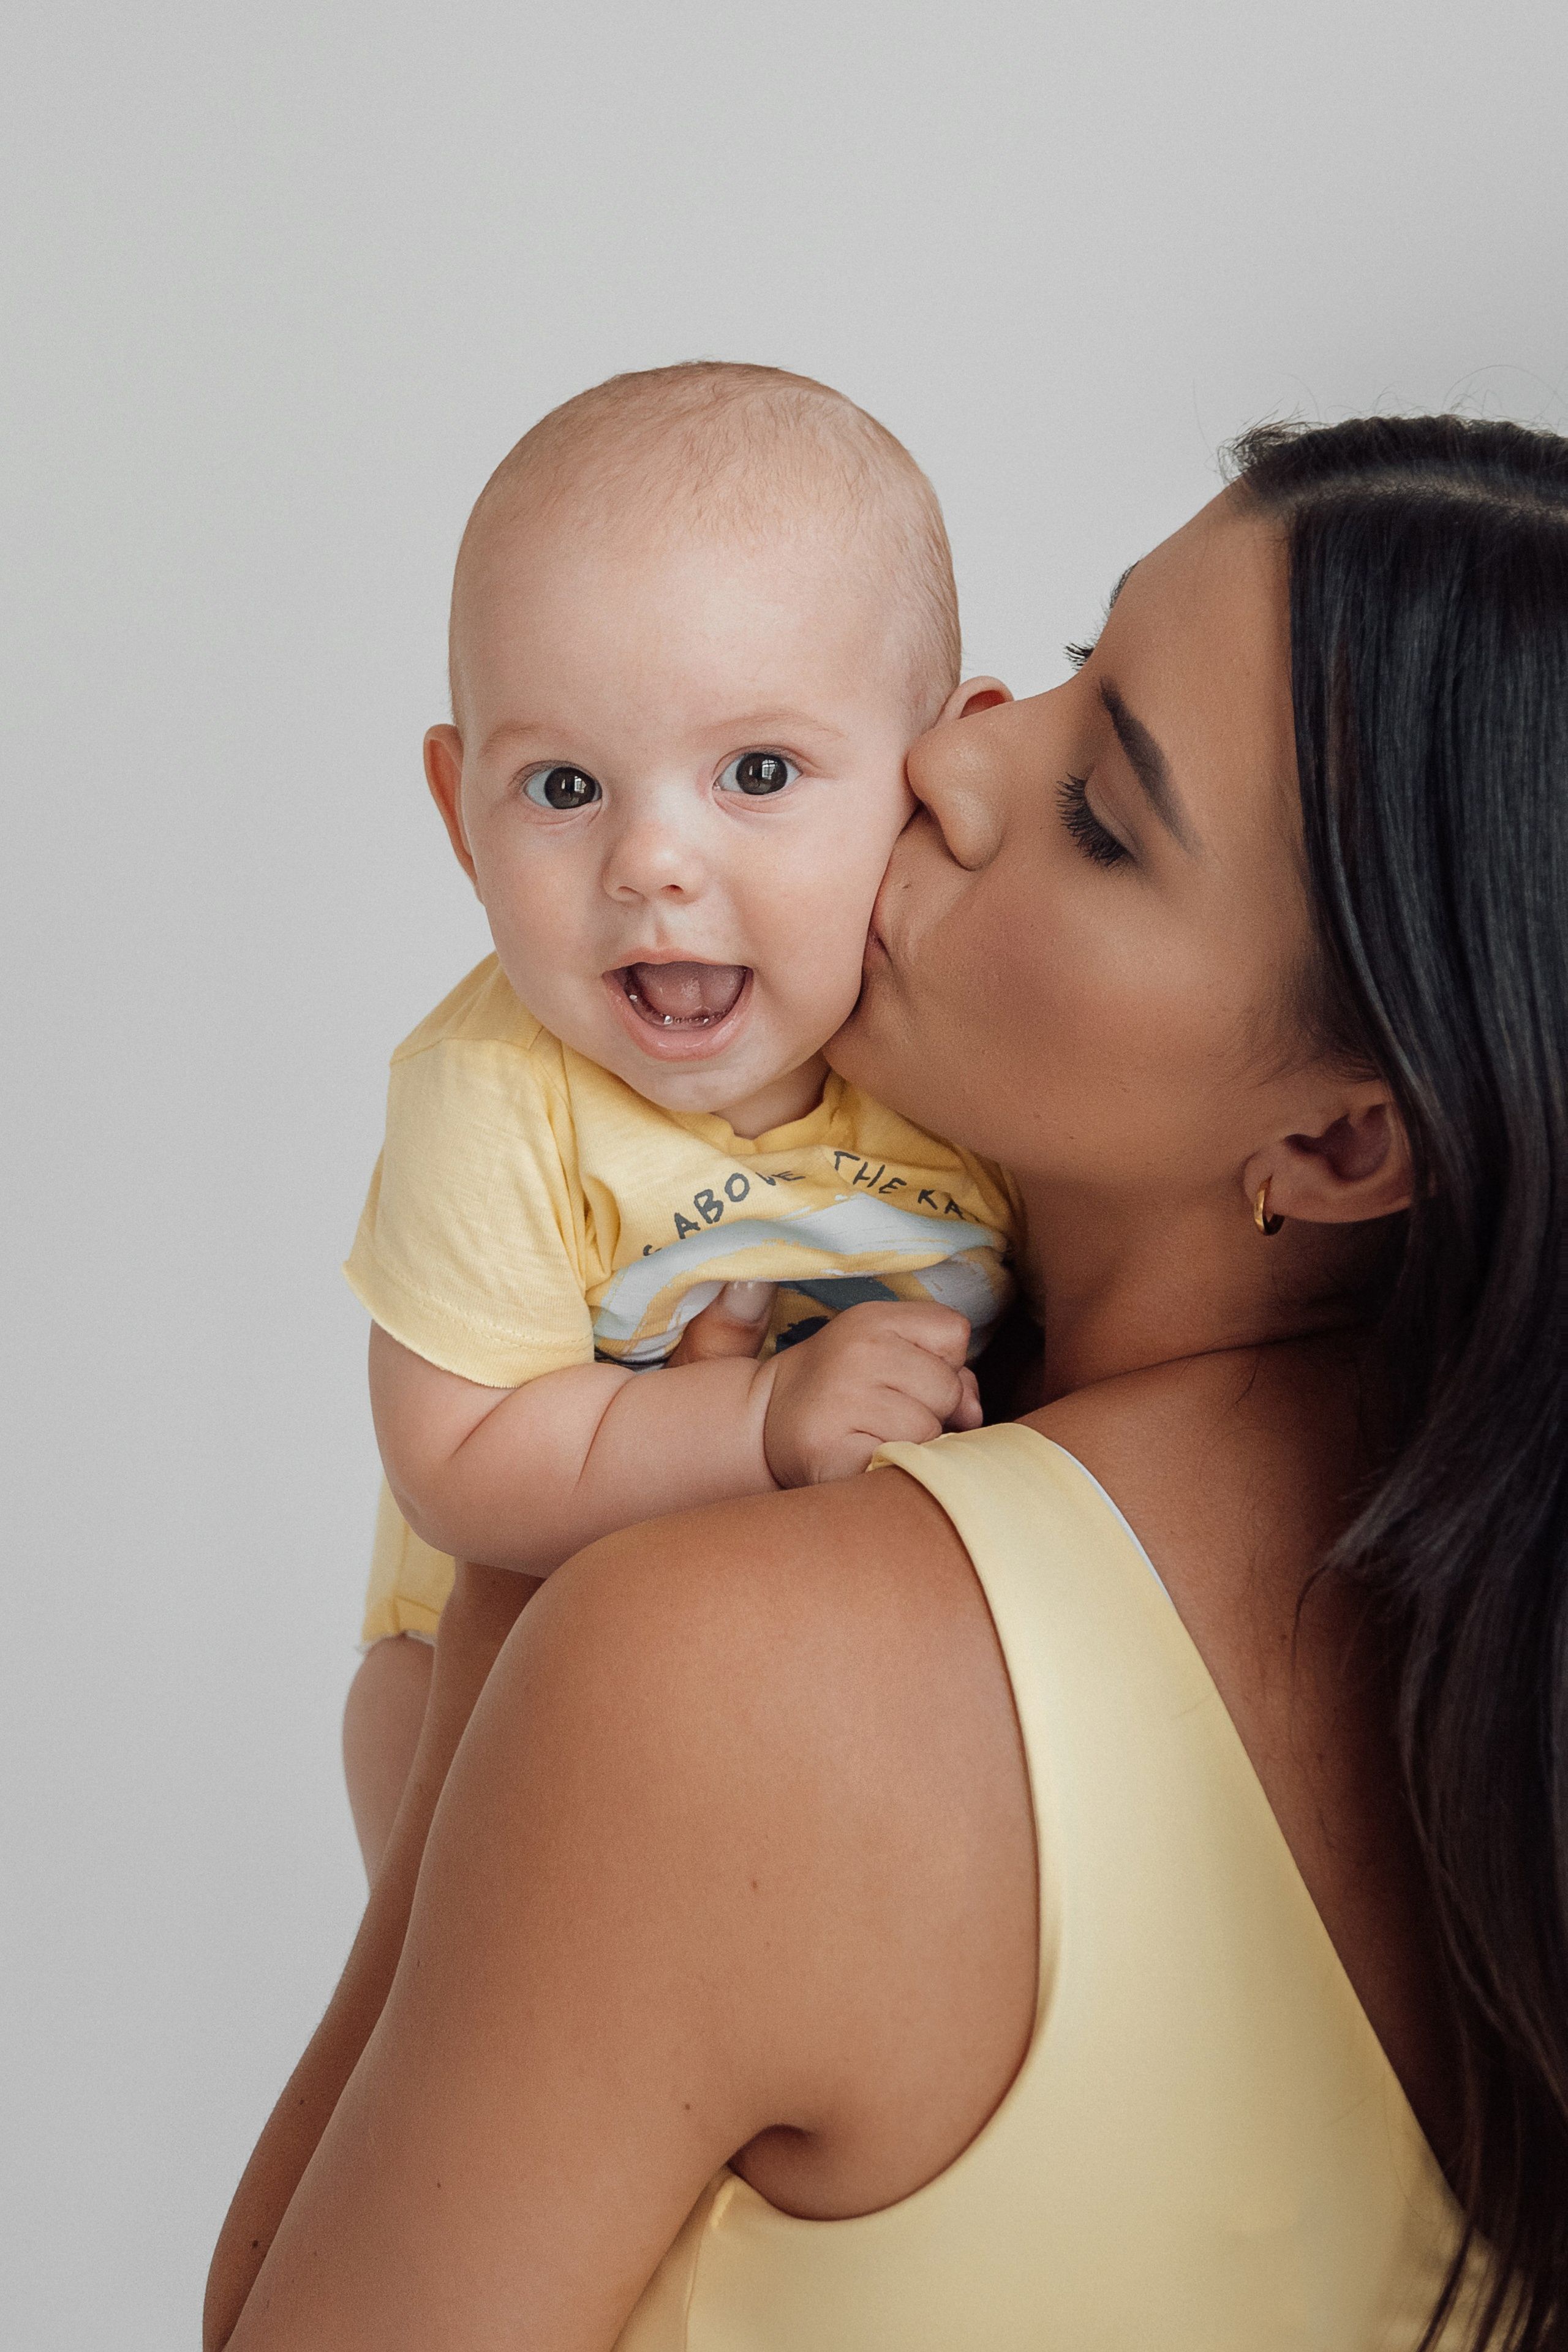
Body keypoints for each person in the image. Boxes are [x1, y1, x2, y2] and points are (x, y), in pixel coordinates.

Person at [206, 414, 1568, 2350]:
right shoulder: (1507, 1683)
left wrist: (539, 1558)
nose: (953, 753)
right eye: (1081, 662)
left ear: (1348, 1144)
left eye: (1106, 812)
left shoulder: (729, 1666)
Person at [341, 361, 1023, 1874]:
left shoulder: (964, 1046)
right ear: (461, 816)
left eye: (757, 772)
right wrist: (761, 1421)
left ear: (936, 775)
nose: (651, 859)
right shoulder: (497, 1091)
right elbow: (460, 1458)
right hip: (490, 1655)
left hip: (823, 1659)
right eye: (565, 784)